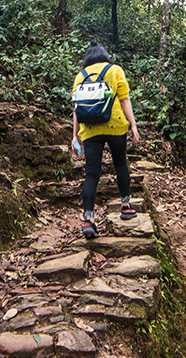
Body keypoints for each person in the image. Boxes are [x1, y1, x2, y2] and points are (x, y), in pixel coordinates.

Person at [70, 40, 140, 238]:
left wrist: (75, 135)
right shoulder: (115, 70)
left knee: (91, 173)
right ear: (104, 55)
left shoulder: (80, 76)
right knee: (120, 164)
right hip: (115, 124)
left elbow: (77, 108)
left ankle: (88, 218)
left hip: (90, 129)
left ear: (87, 58)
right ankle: (126, 206)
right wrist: (133, 126)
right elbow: (124, 99)